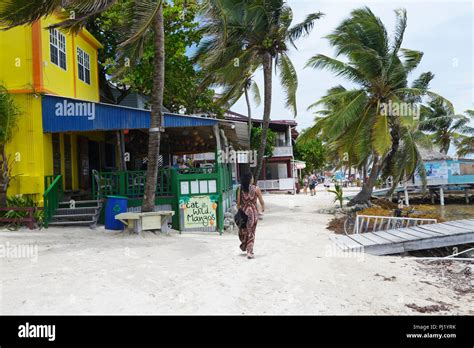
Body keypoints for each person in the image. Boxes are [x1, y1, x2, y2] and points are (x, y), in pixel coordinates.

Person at [237, 172, 265, 259]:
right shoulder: (256, 188)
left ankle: (245, 246)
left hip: (244, 213)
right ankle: (249, 251)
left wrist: (240, 211)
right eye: (252, 177)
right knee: (251, 232)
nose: (253, 179)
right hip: (253, 213)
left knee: (244, 231)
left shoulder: (240, 189)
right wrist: (262, 209)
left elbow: (238, 203)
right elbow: (261, 201)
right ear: (250, 179)